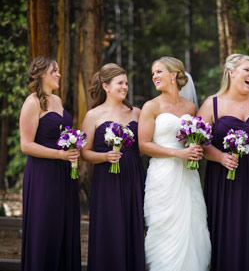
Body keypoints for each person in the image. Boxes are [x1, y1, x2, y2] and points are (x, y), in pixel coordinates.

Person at [197, 54, 249, 270]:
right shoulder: (212, 104)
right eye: (247, 70)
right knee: (232, 229)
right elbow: (198, 142)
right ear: (231, 72)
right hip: (226, 179)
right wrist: (220, 156)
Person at [139, 56, 210, 270]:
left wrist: (196, 148)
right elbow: (143, 145)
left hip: (188, 175)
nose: (154, 76)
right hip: (163, 174)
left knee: (191, 224)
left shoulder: (190, 107)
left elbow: (195, 138)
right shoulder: (151, 106)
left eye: (159, 71)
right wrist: (178, 153)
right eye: (153, 73)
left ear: (174, 74)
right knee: (164, 225)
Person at [81, 63, 145, 270]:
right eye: (120, 83)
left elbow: (144, 145)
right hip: (107, 179)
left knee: (133, 225)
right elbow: (85, 152)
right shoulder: (93, 115)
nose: (125, 87)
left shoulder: (137, 113)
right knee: (110, 227)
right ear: (106, 86)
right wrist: (105, 156)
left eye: (126, 83)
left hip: (134, 176)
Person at [19, 57, 81, 270]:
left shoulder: (57, 100)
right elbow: (26, 145)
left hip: (64, 174)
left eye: (58, 70)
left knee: (63, 227)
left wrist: (73, 148)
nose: (59, 74)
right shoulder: (32, 102)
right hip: (43, 175)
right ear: (41, 74)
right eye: (54, 71)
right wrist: (60, 155)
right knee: (45, 228)